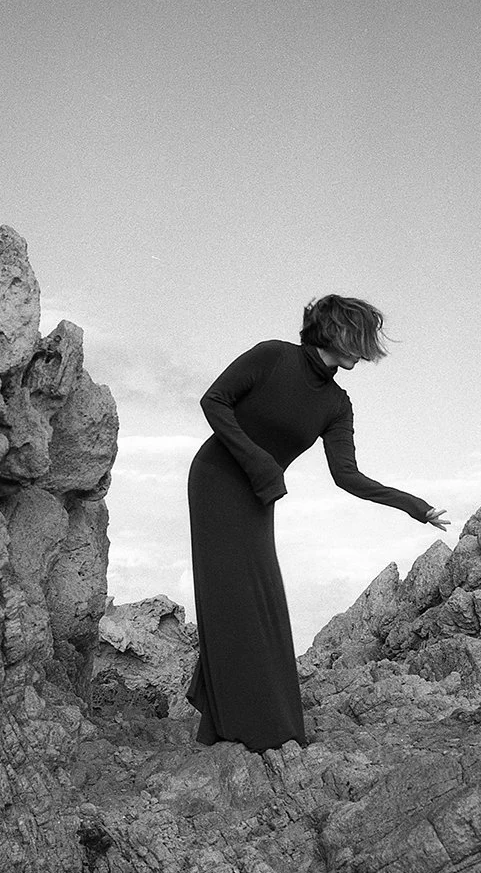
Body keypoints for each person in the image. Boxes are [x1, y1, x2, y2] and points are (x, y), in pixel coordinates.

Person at [185, 294, 450, 752]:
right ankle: (242, 722)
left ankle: (233, 715)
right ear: (337, 332)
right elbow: (214, 402)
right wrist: (260, 462)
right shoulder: (273, 356)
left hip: (257, 495)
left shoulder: (336, 404)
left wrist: (415, 506)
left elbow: (347, 476)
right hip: (216, 480)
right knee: (232, 596)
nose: (366, 351)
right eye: (361, 337)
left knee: (258, 601)